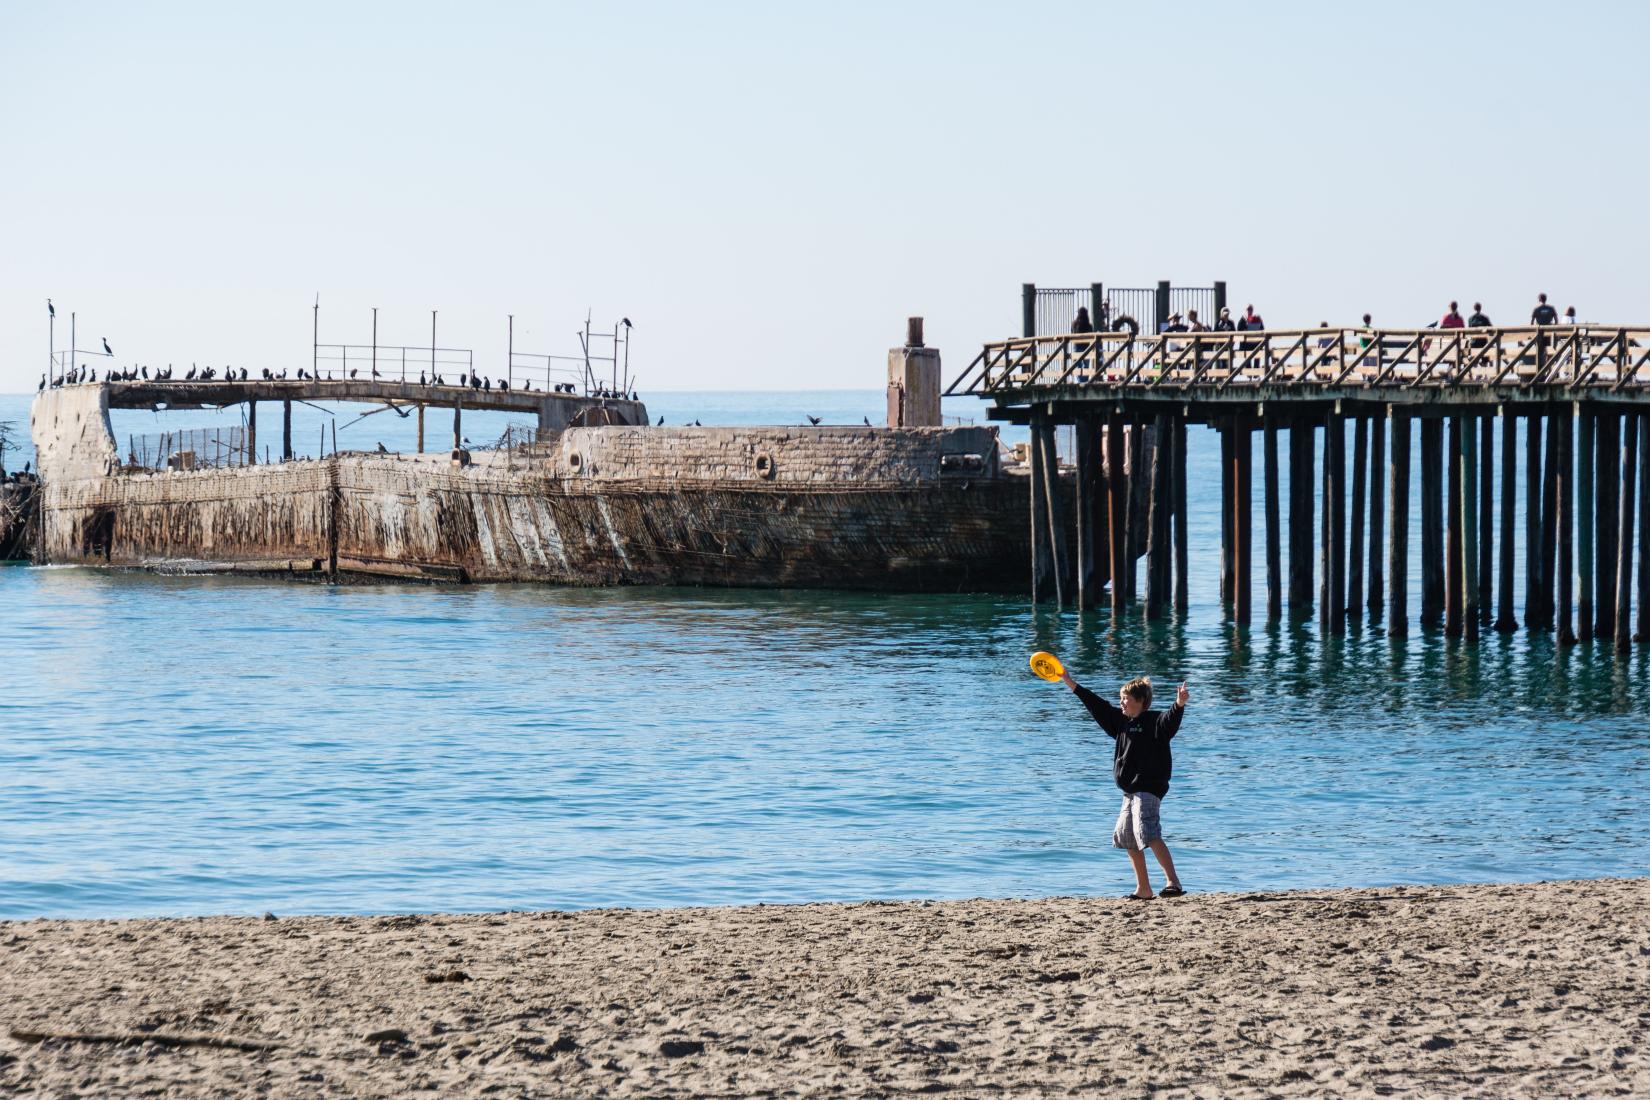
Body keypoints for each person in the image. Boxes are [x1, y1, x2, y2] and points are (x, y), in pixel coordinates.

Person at [1058, 668, 1191, 900]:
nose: (1121, 702)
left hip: (1148, 788)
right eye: (1121, 698)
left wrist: (1179, 704)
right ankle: (1144, 889)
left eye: (1126, 699)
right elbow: (1097, 705)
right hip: (1129, 791)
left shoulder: (1155, 721)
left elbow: (1170, 720)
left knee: (1148, 832)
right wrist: (1072, 684)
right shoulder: (1120, 723)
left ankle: (1173, 882)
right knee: (1128, 836)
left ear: (1140, 701)